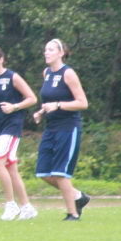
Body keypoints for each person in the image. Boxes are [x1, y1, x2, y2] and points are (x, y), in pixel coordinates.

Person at [0, 46, 39, 221]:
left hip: (11, 126)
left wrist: (14, 107)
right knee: (10, 168)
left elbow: (32, 98)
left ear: (1, 59)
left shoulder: (12, 77)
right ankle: (27, 208)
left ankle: (11, 205)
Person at [32, 38, 91, 221]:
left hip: (68, 128)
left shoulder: (68, 73)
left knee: (60, 173)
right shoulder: (47, 73)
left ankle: (72, 213)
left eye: (50, 49)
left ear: (61, 53)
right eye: (45, 49)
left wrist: (58, 105)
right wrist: (41, 111)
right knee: (43, 172)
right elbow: (49, 100)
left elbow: (82, 103)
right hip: (51, 128)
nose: (46, 53)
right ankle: (78, 197)